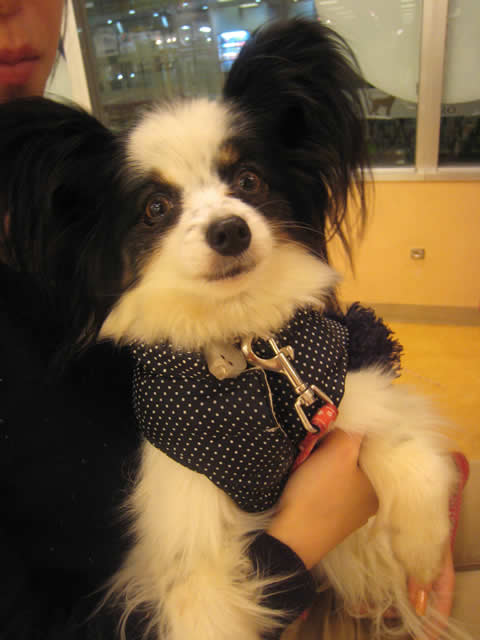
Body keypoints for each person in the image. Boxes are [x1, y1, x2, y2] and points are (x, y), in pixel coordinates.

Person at [0, 2, 462, 639]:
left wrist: (414, 489)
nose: (224, 219)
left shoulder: (306, 341)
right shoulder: (177, 409)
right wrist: (303, 539)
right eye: (158, 208)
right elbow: (182, 593)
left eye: (245, 179)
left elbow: (370, 405)